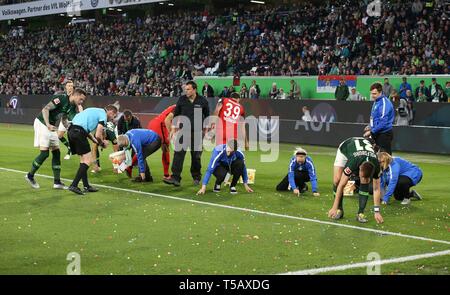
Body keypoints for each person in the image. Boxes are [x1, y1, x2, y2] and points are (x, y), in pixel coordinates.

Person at [25, 88, 86, 190]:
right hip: (42, 123)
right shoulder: (61, 98)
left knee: (56, 152)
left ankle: (57, 182)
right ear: (75, 95)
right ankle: (30, 176)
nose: (81, 102)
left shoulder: (71, 106)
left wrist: (69, 129)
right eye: (81, 99)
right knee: (44, 153)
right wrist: (48, 124)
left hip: (52, 126)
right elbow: (45, 109)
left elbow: (64, 119)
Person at [328, 137, 384, 224]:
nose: (361, 178)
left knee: (365, 181)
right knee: (337, 180)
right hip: (346, 146)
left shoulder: (377, 165)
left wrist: (377, 212)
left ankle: (360, 213)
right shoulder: (353, 162)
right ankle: (339, 209)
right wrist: (334, 207)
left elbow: (376, 189)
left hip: (362, 152)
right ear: (359, 168)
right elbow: (341, 185)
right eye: (361, 175)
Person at [164, 81, 209, 187]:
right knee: (178, 154)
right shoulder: (182, 99)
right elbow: (176, 114)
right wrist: (173, 129)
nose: (186, 91)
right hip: (183, 131)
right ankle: (175, 178)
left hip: (197, 133)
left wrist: (206, 132)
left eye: (188, 89)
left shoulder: (203, 101)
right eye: (185, 89)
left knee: (196, 156)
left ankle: (196, 177)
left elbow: (207, 117)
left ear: (194, 89)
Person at [67, 105, 118, 195]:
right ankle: (74, 185)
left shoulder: (93, 110)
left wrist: (96, 141)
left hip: (71, 131)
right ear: (111, 112)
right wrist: (102, 143)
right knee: (87, 160)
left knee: (83, 161)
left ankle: (86, 186)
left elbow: (88, 132)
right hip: (79, 132)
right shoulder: (103, 114)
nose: (113, 119)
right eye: (114, 116)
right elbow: (98, 135)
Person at [129, 104, 176, 179]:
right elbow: (167, 119)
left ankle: (130, 166)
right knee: (165, 148)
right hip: (160, 126)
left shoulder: (176, 106)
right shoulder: (180, 106)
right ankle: (166, 174)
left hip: (154, 123)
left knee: (144, 150)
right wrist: (170, 134)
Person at [364, 82, 394, 154]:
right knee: (375, 158)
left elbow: (383, 122)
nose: (372, 96)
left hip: (384, 134)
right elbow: (375, 118)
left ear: (380, 92)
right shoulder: (377, 101)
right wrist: (370, 126)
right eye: (371, 93)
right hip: (378, 133)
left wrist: (371, 132)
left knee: (385, 160)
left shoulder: (384, 103)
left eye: (374, 93)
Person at [57, 80, 83, 160]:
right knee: (59, 136)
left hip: (71, 120)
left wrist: (82, 114)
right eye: (69, 86)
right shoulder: (63, 96)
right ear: (66, 87)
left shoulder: (75, 96)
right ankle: (69, 148)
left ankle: (71, 152)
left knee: (71, 137)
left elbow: (79, 106)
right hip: (64, 119)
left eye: (72, 86)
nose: (70, 87)